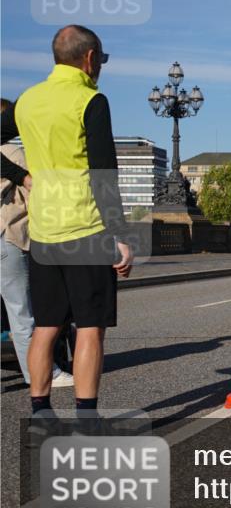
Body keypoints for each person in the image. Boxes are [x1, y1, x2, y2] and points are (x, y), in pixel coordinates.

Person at [1, 25, 132, 427]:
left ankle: (41, 414)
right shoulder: (90, 100)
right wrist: (119, 236)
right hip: (85, 227)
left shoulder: (27, 101)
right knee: (90, 328)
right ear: (90, 59)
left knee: (46, 326)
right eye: (101, 62)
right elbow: (102, 173)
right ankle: (88, 419)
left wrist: (21, 176)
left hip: (42, 230)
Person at [0, 99, 74, 388]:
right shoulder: (14, 154)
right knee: (23, 313)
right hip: (9, 237)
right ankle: (42, 374)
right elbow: (37, 199)